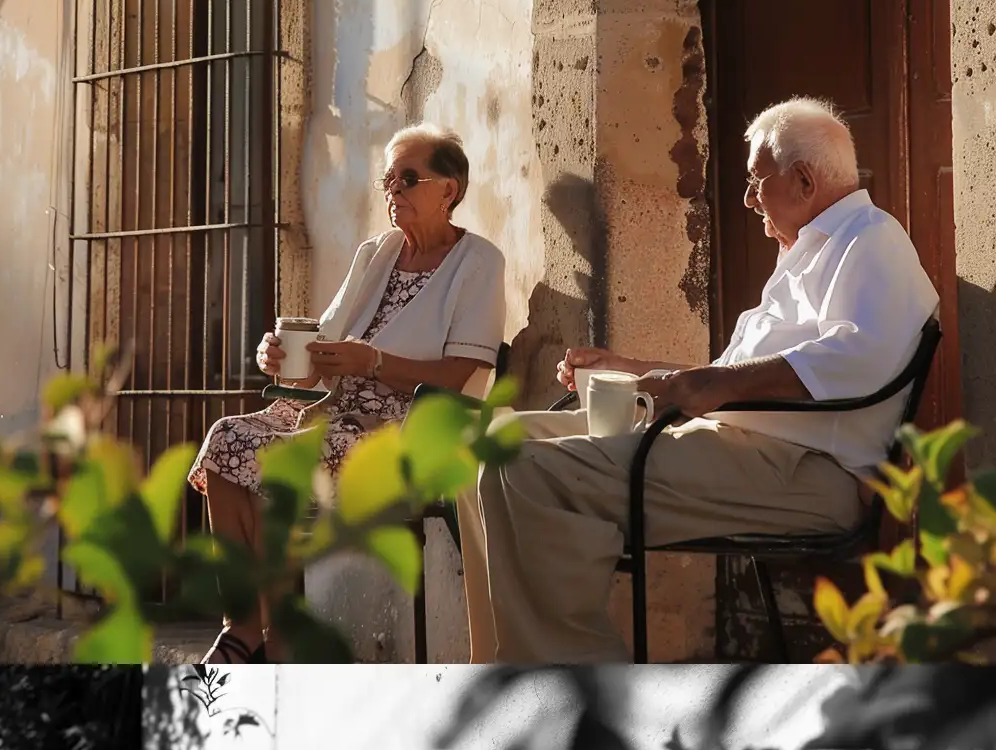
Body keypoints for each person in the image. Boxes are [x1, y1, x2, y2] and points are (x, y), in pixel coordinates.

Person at [457, 96, 940, 661]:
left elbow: (859, 354)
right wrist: (633, 370)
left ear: (804, 180)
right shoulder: (811, 251)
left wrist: (707, 387)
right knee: (484, 449)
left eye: (757, 181)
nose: (748, 198)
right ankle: (500, 669)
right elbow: (728, 378)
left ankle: (572, 689)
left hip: (806, 472)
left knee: (528, 472)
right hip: (741, 449)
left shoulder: (871, 239)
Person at [189, 129, 505, 662]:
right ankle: (245, 628)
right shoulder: (376, 253)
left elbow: (460, 374)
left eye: (408, 178)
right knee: (227, 439)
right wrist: (284, 357)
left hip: (409, 428)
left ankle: (275, 641)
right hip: (334, 413)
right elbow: (324, 349)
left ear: (449, 190)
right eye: (388, 179)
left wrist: (375, 362)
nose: (393, 191)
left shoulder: (478, 262)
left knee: (278, 461)